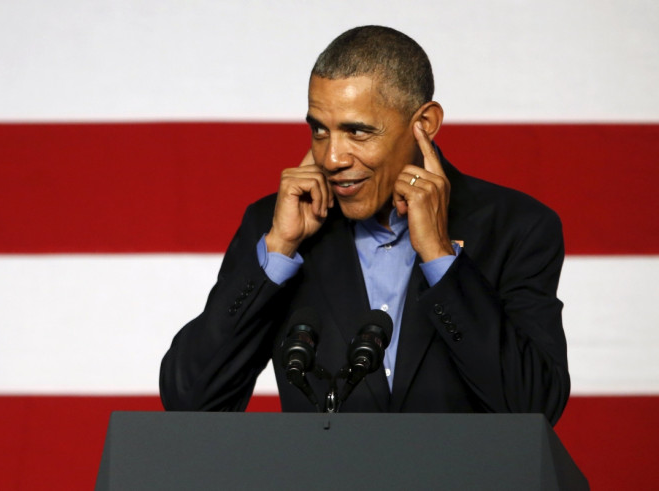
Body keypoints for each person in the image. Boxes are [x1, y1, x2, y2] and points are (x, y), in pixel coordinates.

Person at [159, 25, 570, 424]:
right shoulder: (279, 226)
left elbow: (533, 408)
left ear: (423, 124)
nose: (332, 158)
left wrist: (440, 257)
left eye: (357, 132)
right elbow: (192, 402)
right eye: (320, 130)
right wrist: (280, 249)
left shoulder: (518, 226)